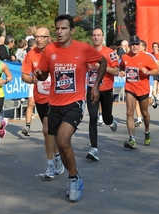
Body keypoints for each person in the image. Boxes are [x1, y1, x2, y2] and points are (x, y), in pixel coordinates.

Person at [35, 14, 107, 202]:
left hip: (74, 103)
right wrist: (39, 75)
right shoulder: (49, 50)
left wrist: (96, 85)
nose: (60, 32)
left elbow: (103, 62)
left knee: (63, 139)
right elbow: (43, 76)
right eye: (57, 28)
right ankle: (75, 175)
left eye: (64, 28)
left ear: (72, 30)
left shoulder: (83, 49)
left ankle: (73, 179)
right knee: (61, 144)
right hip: (54, 104)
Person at [21, 27, 64, 178]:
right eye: (36, 37)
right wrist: (31, 79)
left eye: (42, 37)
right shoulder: (31, 54)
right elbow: (24, 76)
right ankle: (57, 158)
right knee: (50, 132)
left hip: (56, 98)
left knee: (47, 130)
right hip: (40, 98)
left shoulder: (56, 51)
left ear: (49, 38)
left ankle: (50, 164)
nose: (38, 39)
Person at [119, 35, 159, 149]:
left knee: (145, 113)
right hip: (130, 88)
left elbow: (157, 70)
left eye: (137, 44)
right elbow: (121, 66)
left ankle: (147, 131)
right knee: (129, 112)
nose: (135, 47)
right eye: (133, 44)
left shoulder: (146, 57)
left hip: (143, 89)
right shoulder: (125, 57)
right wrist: (122, 72)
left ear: (140, 45)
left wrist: (148, 72)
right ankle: (132, 139)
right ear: (129, 45)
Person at [86, 27, 119, 161]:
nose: (96, 37)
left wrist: (102, 67)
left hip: (106, 89)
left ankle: (110, 120)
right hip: (92, 88)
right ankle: (94, 148)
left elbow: (117, 71)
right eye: (94, 35)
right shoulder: (87, 52)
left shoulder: (110, 53)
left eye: (99, 35)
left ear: (103, 37)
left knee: (105, 119)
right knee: (93, 117)